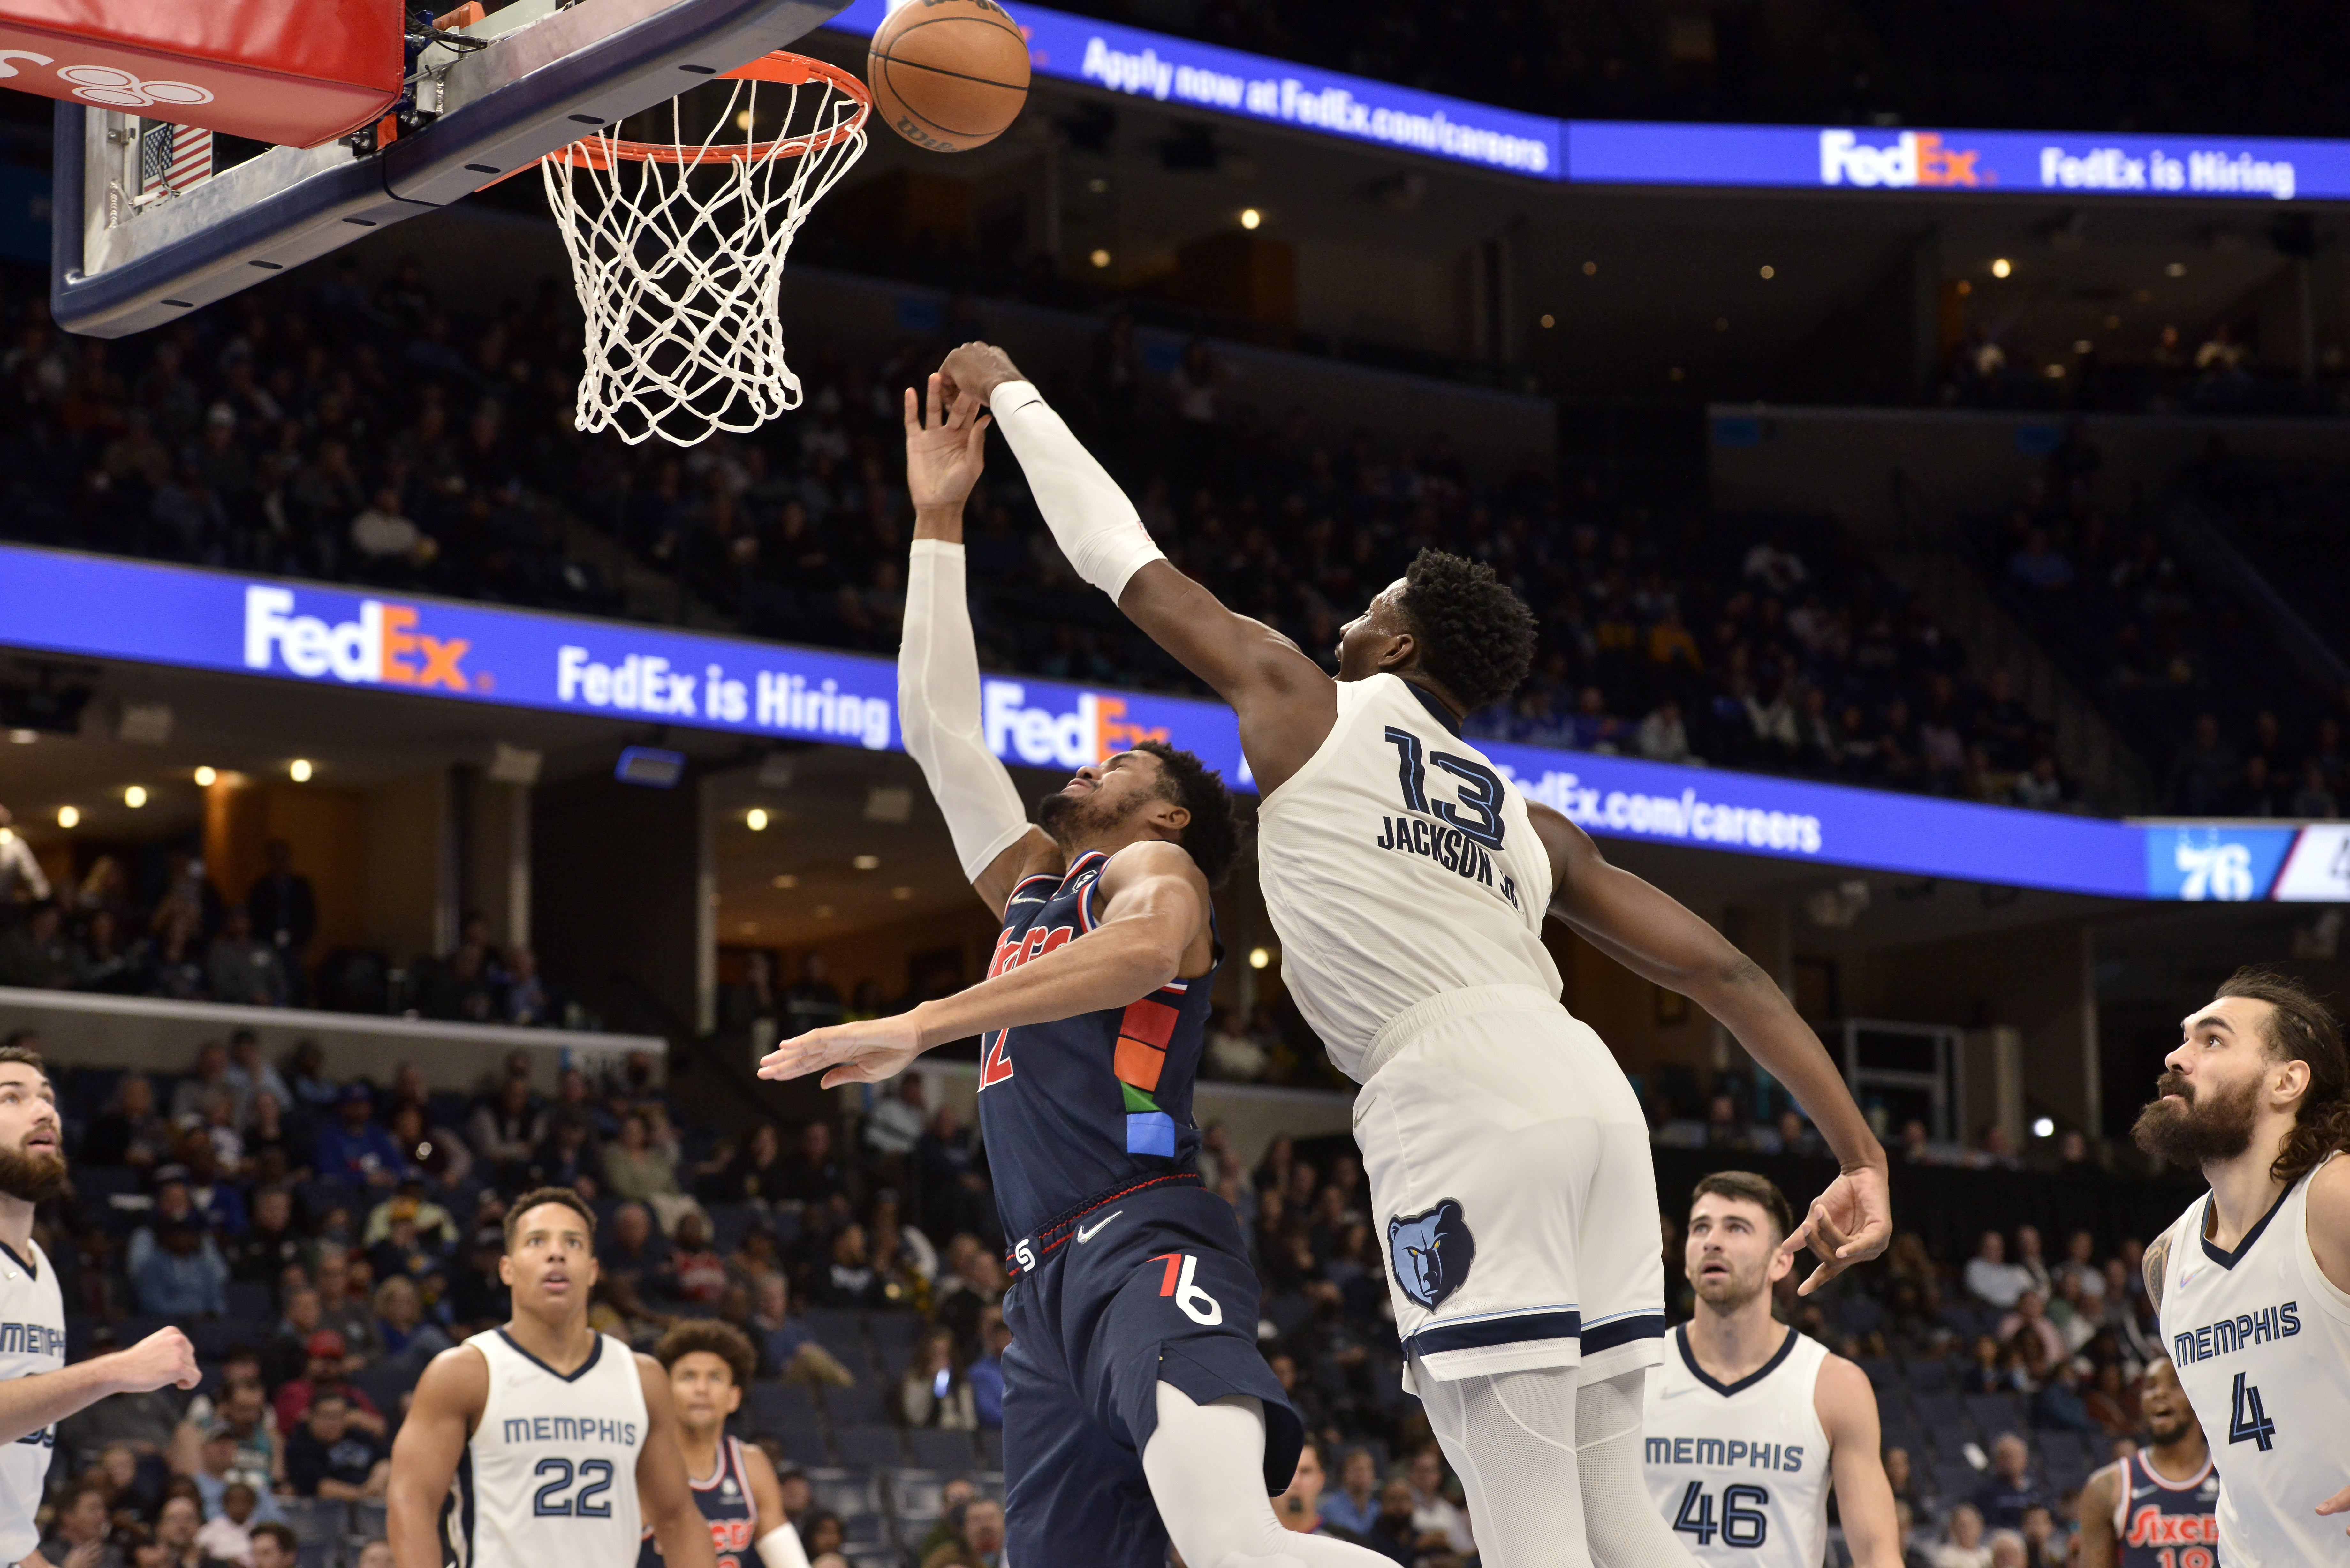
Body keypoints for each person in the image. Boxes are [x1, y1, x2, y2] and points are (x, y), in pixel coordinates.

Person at [926, 338, 1892, 1568]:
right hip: (1591, 1088)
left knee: (1529, 1521)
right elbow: (1729, 976)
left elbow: (1118, 556)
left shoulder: (1304, 701)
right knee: (1620, 1517)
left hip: (1457, 1093)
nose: (1346, 615)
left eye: (1370, 605)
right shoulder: (1531, 823)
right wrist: (1856, 1152)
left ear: (1395, 647)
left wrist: (1015, 393)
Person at [760, 378, 1391, 1568]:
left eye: (1119, 760)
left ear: (1162, 810)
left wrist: (922, 1020)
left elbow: (1149, 953)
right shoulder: (1040, 899)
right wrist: (937, 523)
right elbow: (940, 733)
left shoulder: (1159, 876)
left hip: (1147, 1241)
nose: (1091, 766)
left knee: (1237, 1548)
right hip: (1045, 1289)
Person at [2135, 969, 2350, 1565]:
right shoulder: (2166, 1259)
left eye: (2212, 1040)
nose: (2177, 1056)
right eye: (2183, 1039)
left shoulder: (2334, 1198)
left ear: (2288, 1081)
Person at [384, 1189, 721, 1568]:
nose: (556, 1253)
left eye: (573, 1242)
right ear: (507, 1268)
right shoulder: (466, 1372)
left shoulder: (641, 1379)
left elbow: (677, 1518)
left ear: (593, 1271)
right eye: (537, 1241)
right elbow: (412, 1499)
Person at [0, 1044, 199, 1568]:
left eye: (46, 1097)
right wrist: (115, 1371)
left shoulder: (39, 1265)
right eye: (11, 1098)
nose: (45, 1110)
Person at [1643, 1172, 1902, 1568]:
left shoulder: (1834, 1386)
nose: (1712, 1240)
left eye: (1736, 1228)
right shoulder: (1635, 1373)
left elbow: (1876, 1554)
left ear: (1781, 1261)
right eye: (1701, 1228)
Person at [637, 1322, 806, 1568]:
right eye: (688, 1377)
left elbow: (791, 1564)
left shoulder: (751, 1466)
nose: (702, 1389)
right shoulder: (640, 1467)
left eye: (715, 1378)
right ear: (665, 1392)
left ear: (733, 1398)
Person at [2073, 1358, 2217, 1568]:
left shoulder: (2233, 1480)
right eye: (2150, 1387)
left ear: (2200, 1395)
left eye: (2175, 1384)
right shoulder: (2107, 1487)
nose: (2159, 1394)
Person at [285, 1391, 388, 1499]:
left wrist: (377, 1482)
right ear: (311, 1417)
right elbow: (320, 1487)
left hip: (375, 1498)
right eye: (326, 1416)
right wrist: (365, 1496)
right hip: (328, 1510)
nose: (332, 1423)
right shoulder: (300, 1447)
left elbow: (386, 1461)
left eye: (338, 1416)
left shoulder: (357, 1436)